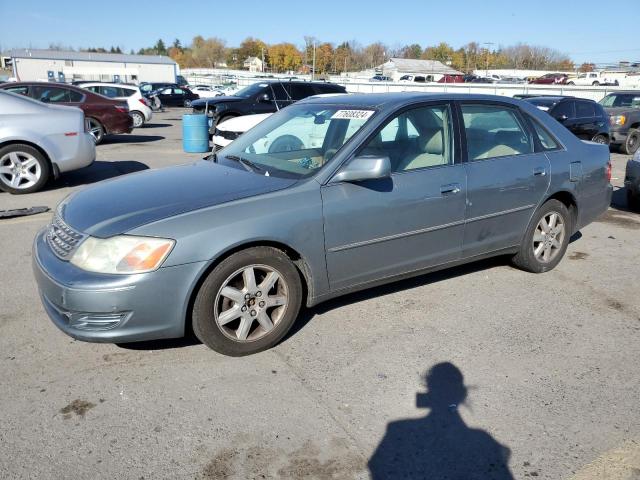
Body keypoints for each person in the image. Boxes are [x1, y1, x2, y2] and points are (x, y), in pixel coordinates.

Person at [369, 362, 513, 479]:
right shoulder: (482, 441)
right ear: (462, 395)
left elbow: (377, 468)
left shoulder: (398, 430)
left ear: (428, 392)